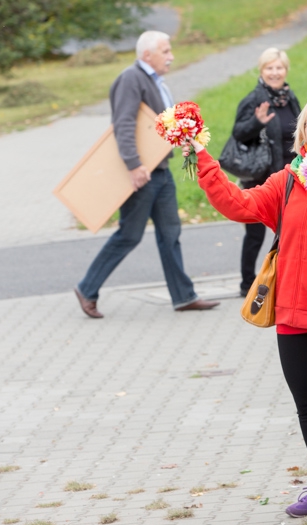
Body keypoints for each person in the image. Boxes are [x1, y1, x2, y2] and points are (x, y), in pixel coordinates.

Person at [191, 95, 307, 520]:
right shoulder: (288, 181)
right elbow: (239, 205)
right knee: (306, 404)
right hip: (290, 314)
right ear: (301, 132)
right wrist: (201, 155)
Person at [74, 30, 219, 318]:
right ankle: (87, 288)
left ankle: (183, 296)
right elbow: (124, 124)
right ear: (147, 55)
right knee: (129, 234)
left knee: (170, 233)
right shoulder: (131, 78)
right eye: (165, 51)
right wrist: (133, 165)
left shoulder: (155, 81)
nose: (171, 56)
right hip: (143, 173)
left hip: (161, 170)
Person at [230, 48, 301, 296]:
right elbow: (238, 134)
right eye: (269, 68)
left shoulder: (289, 98)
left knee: (290, 230)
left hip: (288, 176)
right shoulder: (253, 99)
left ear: (286, 70)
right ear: (261, 71)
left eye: (279, 67)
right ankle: (246, 283)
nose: (275, 72)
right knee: (255, 233)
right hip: (260, 179)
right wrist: (256, 122)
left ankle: (286, 277)